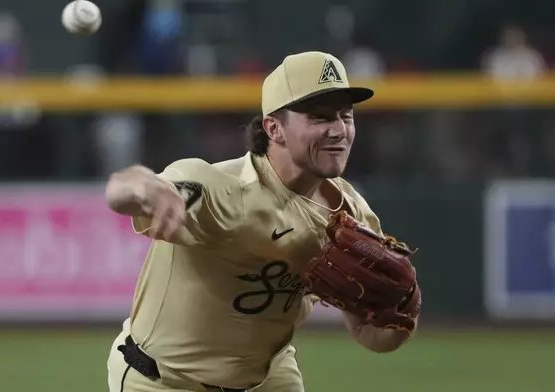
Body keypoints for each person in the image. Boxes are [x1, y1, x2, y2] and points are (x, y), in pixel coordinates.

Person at [104, 51, 418, 392]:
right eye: (320, 117)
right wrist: (145, 185)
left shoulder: (351, 214)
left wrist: (399, 320)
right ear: (274, 128)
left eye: (346, 116)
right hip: (163, 380)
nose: (339, 130)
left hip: (268, 379)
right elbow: (120, 189)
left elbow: (367, 333)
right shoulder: (225, 190)